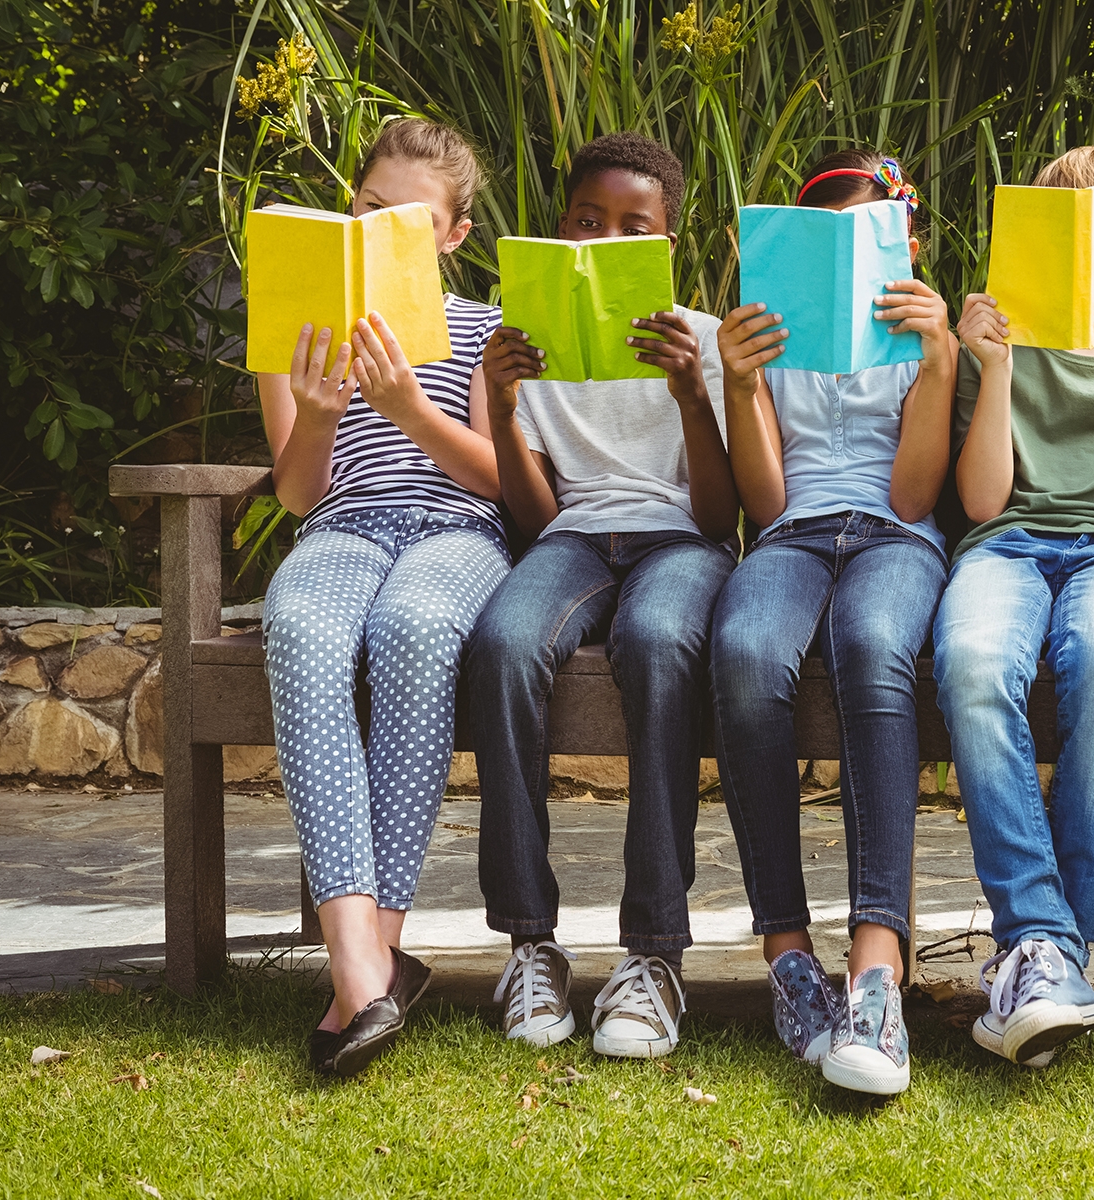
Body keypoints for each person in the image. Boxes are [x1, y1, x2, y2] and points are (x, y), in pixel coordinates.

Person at [468, 131, 737, 1059]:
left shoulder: (698, 338)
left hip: (679, 542)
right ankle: (529, 942)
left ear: (666, 243)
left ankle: (653, 953)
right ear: (561, 229)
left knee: (662, 641)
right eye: (589, 221)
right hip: (574, 536)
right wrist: (502, 411)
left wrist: (692, 395)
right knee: (503, 642)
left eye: (633, 227)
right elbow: (536, 520)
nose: (605, 236)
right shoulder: (528, 344)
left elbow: (717, 517)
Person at [256, 118, 510, 1078]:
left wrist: (410, 408)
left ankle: (365, 969)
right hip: (346, 525)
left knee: (413, 627)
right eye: (365, 208)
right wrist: (320, 415)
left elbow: (498, 482)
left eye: (404, 217)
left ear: (450, 235)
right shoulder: (297, 330)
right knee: (299, 622)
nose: (377, 224)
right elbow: (297, 492)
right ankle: (365, 966)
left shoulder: (484, 330)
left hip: (457, 532)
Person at [933, 146, 1094, 1067]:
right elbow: (981, 504)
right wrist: (995, 367)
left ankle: (1046, 948)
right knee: (970, 665)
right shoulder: (998, 337)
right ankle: (1045, 942)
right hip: (1005, 543)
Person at [710, 152, 954, 1095]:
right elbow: (766, 505)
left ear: (903, 241)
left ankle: (877, 970)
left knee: (873, 647)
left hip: (895, 532)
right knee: (743, 651)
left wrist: (935, 365)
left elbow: (915, 492)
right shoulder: (778, 338)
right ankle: (787, 955)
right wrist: (741, 384)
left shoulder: (919, 339)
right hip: (795, 534)